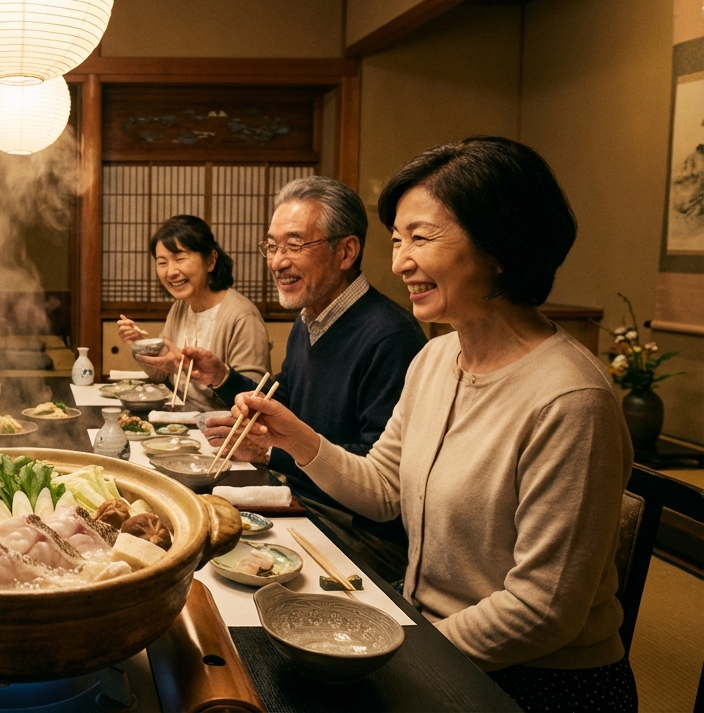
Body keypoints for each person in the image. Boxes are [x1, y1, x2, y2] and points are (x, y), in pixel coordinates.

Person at [227, 137, 636, 712]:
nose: (399, 263)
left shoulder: (570, 399)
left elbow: (542, 612)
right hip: (425, 629)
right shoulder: (436, 359)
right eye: (397, 240)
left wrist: (400, 652)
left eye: (421, 238)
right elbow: (384, 490)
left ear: (501, 244)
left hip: (532, 681)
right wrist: (294, 437)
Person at [188, 176, 426, 583]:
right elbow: (289, 400)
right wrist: (225, 380)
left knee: (205, 569)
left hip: (358, 533)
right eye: (273, 246)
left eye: (295, 244)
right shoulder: (309, 320)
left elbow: (382, 473)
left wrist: (269, 451)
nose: (278, 261)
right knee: (191, 526)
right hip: (302, 500)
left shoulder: (390, 335)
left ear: (346, 251)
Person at [114, 215, 269, 411]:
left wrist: (186, 368)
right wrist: (139, 344)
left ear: (210, 261)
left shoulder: (242, 316)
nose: (170, 272)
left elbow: (254, 398)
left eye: (180, 259)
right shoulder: (180, 307)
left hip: (219, 431)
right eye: (162, 262)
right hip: (179, 423)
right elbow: (161, 374)